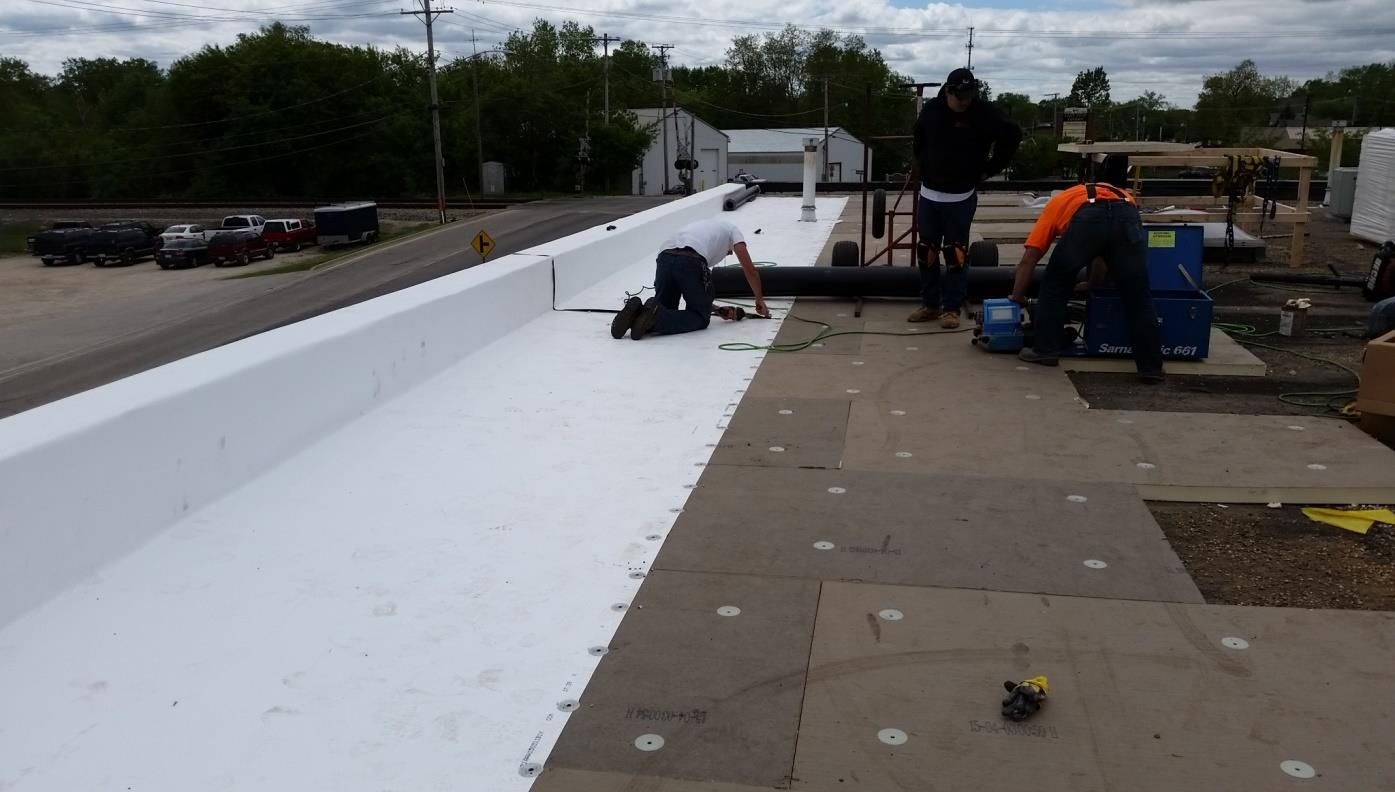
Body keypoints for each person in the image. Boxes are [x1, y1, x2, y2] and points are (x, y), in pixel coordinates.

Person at [1008, 175, 1165, 384]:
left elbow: (1029, 259)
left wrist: (1017, 296)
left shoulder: (1058, 202)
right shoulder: (1124, 196)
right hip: (1127, 217)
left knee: (1055, 285)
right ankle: (1151, 368)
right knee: (1138, 296)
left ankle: (1045, 350)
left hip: (1087, 221)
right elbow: (1102, 250)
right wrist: (1093, 283)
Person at [910, 67, 1022, 328]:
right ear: (948, 92)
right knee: (926, 251)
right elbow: (918, 139)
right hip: (930, 194)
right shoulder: (932, 111)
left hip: (960, 197)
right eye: (960, 97)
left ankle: (951, 308)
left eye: (969, 96)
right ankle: (930, 304)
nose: (964, 102)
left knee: (955, 253)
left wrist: (991, 168)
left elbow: (1013, 134)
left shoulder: (984, 113)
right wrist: (922, 164)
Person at [611, 218, 769, 341]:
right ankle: (656, 320)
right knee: (700, 318)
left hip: (665, 257)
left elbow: (693, 292)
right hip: (691, 259)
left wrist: (716, 309)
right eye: (729, 252)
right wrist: (759, 299)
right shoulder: (733, 231)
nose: (729, 254)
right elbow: (750, 271)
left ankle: (635, 313)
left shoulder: (703, 229)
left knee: (663, 308)